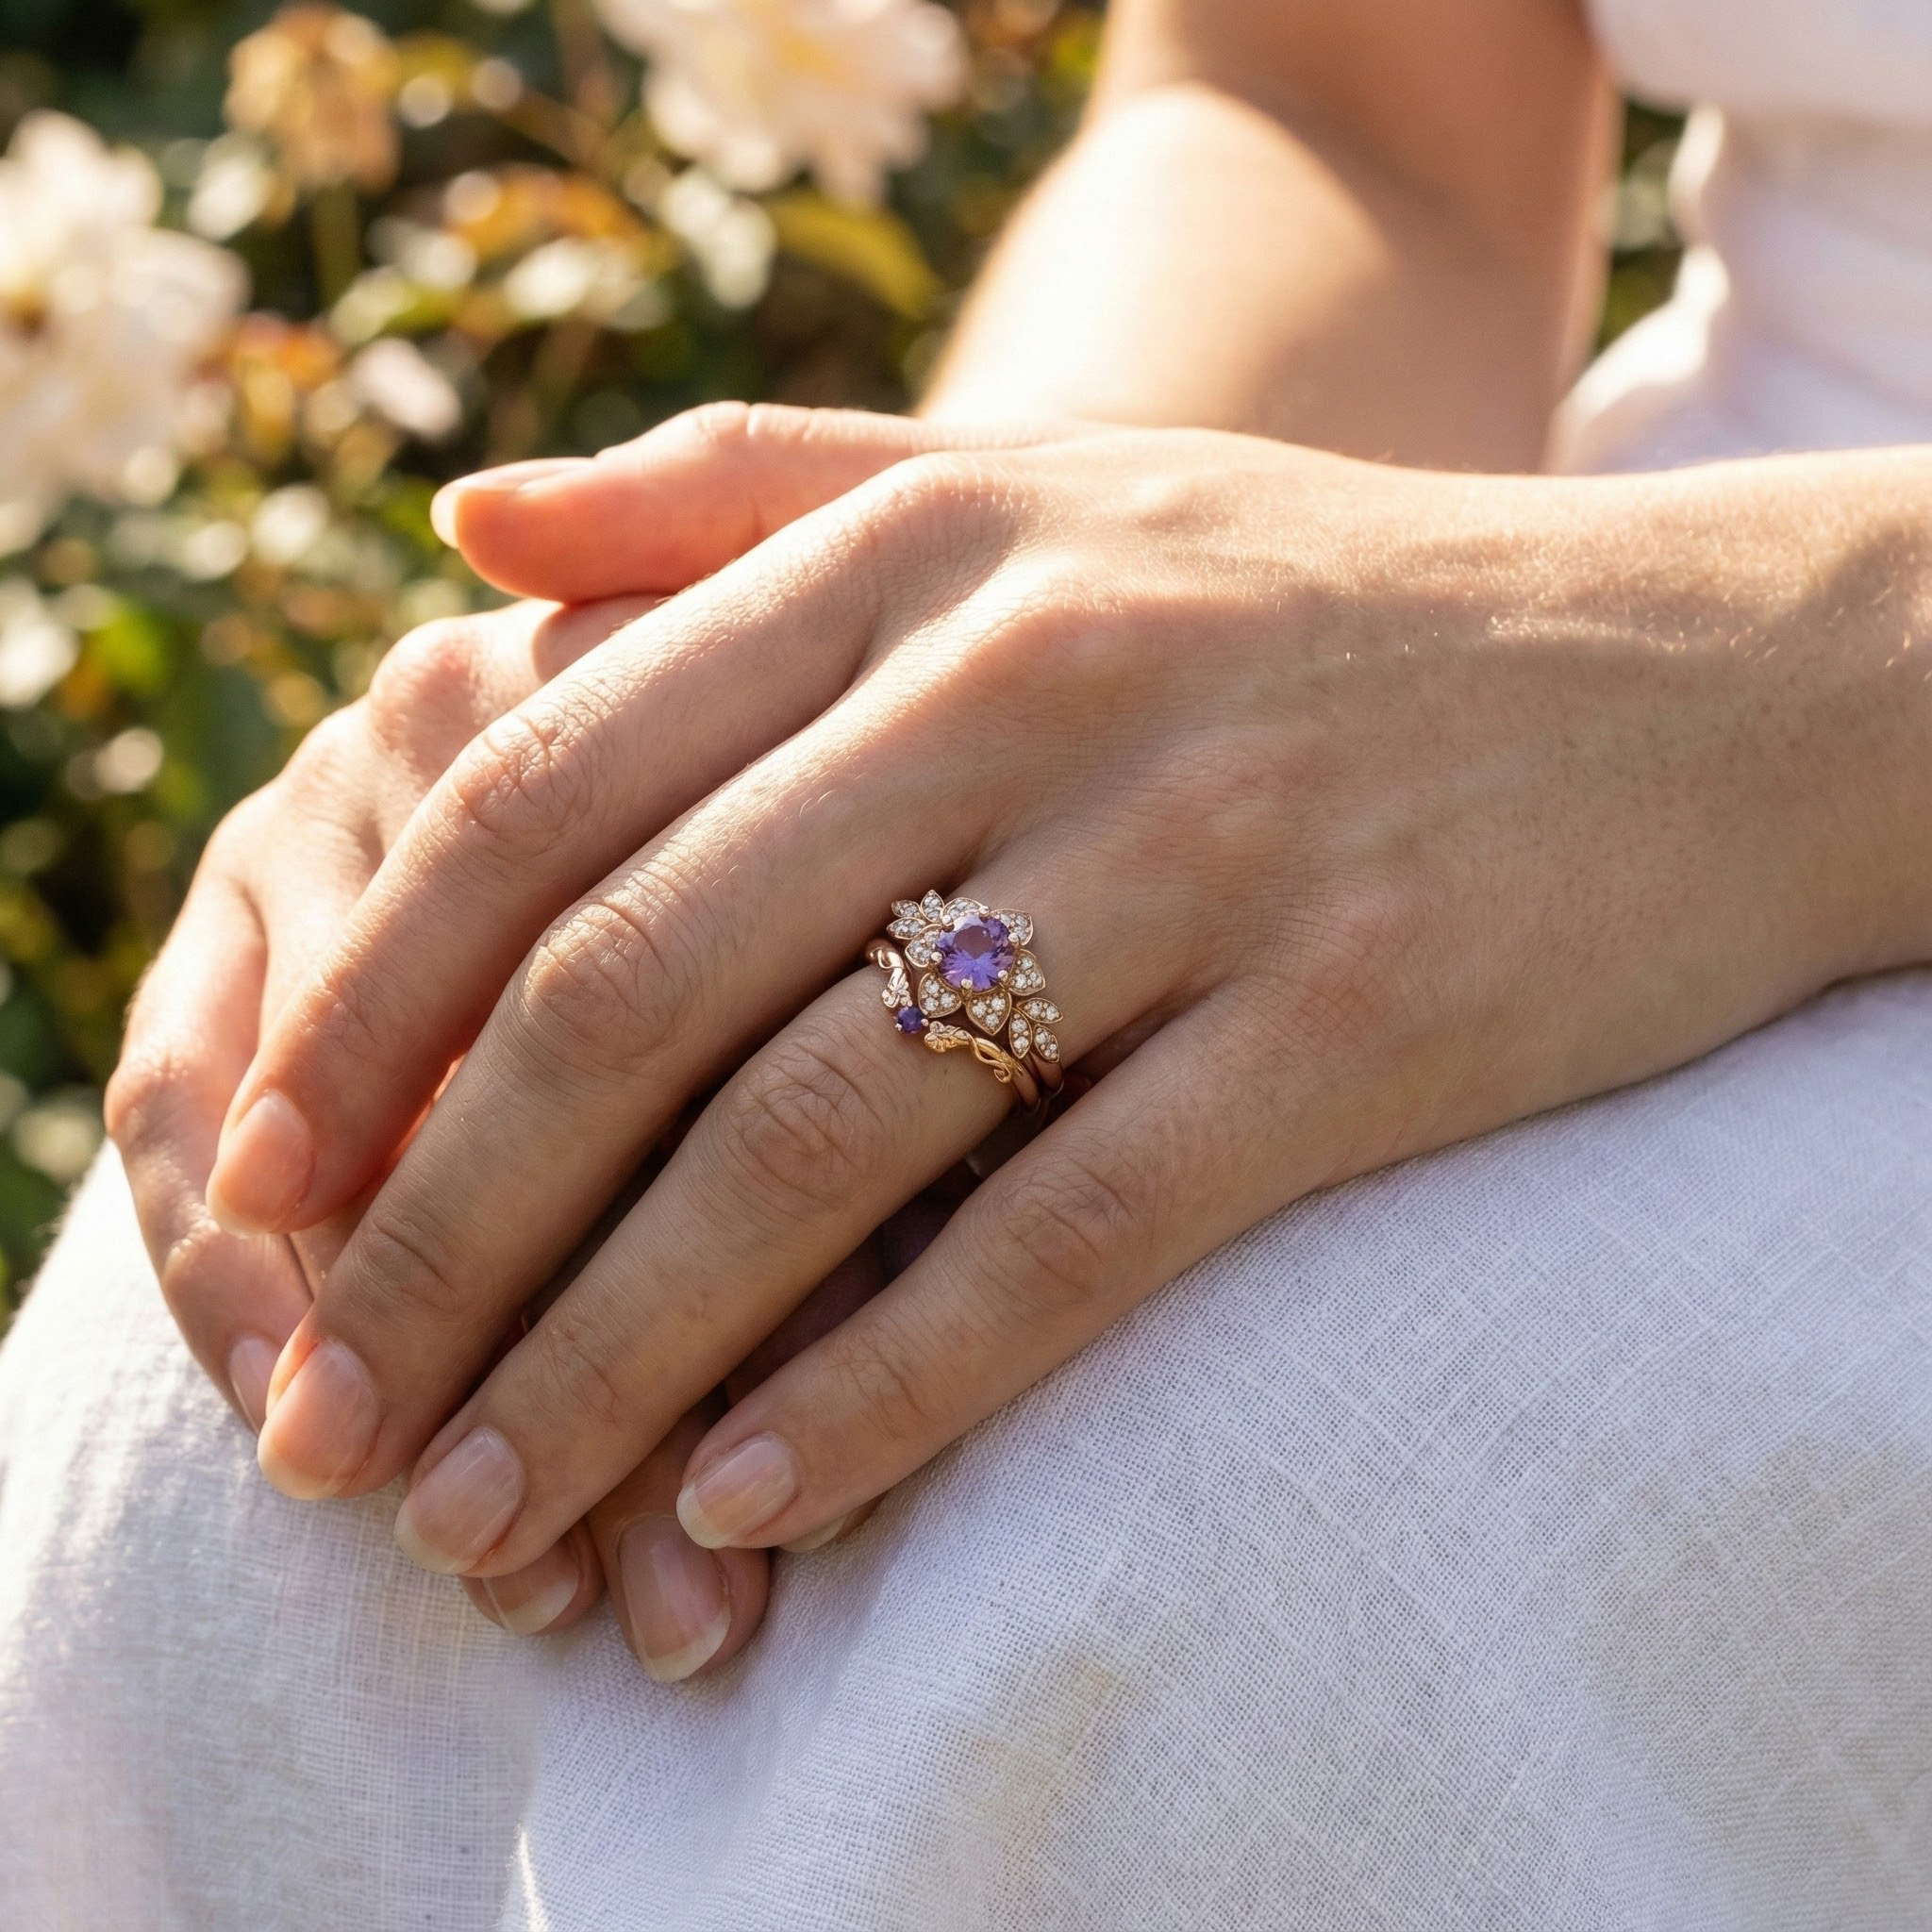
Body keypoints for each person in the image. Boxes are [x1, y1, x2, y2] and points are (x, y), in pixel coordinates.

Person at [6, 0, 1932, 1925]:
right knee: (264, 1405)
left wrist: (1724, 678)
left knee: (1228, 1537)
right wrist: (945, 661)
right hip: (1489, 617)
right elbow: (1340, 118)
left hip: (1752, 675)